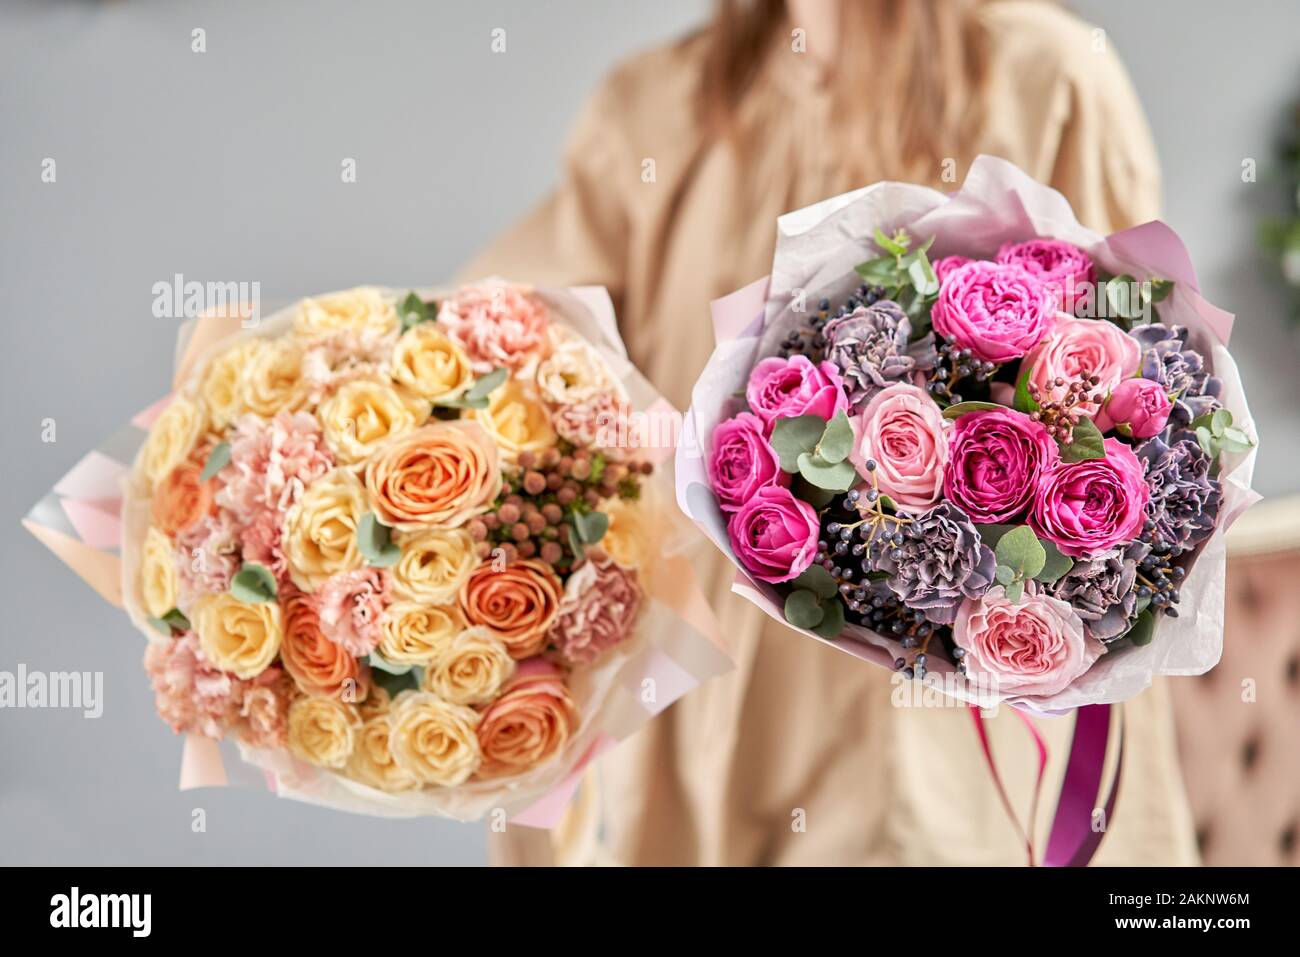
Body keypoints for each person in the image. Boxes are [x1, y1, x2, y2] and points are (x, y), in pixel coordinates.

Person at [462, 0, 1198, 866]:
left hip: (975, 727)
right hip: (727, 707)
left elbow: (1138, 386)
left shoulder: (1050, 79)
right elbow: (503, 346)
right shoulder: (653, 107)